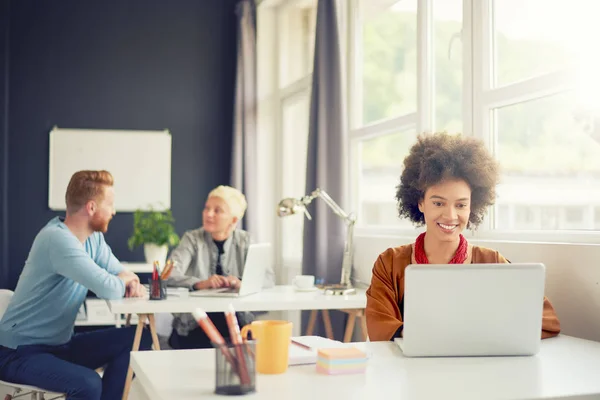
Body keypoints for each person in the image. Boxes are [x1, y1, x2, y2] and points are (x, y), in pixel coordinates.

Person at [365, 133, 561, 341]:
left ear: (472, 206)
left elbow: (546, 321)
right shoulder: (390, 263)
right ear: (420, 202)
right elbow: (379, 327)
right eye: (438, 203)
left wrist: (477, 334)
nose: (450, 216)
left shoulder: (492, 262)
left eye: (461, 205)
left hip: (477, 370)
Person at [0, 170, 152, 400]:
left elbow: (121, 273)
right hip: (20, 353)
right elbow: (109, 287)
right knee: (89, 384)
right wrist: (123, 281)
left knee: (139, 338)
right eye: (110, 204)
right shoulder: (56, 239)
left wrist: (127, 280)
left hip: (61, 347)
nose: (114, 211)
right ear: (91, 208)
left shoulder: (93, 238)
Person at [167, 185, 275, 349]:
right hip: (195, 324)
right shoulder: (192, 239)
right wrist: (199, 283)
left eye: (217, 210)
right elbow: (167, 274)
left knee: (251, 346)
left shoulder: (246, 240)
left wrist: (241, 283)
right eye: (207, 208)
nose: (208, 214)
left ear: (233, 220)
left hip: (237, 323)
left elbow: (268, 279)